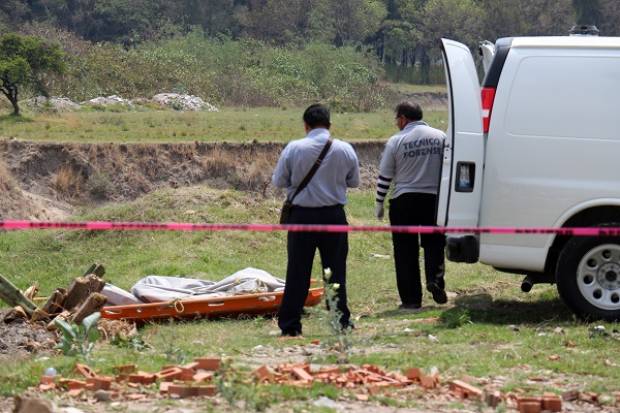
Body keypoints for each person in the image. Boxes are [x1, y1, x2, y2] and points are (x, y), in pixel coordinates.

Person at [273, 104, 360, 337]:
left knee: (297, 272)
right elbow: (354, 182)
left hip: (302, 216)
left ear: (305, 125)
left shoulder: (294, 148)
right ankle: (340, 321)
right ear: (330, 125)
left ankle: (290, 325)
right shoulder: (345, 149)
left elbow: (279, 181)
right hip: (334, 216)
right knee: (335, 271)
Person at [375, 101, 448, 310]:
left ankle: (411, 299)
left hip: (404, 201)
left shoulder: (396, 140)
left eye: (396, 119)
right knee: (434, 243)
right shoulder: (441, 137)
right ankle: (435, 280)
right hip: (434, 200)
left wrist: (379, 203)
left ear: (403, 118)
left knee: (405, 251)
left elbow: (385, 176)